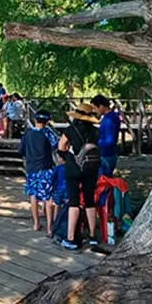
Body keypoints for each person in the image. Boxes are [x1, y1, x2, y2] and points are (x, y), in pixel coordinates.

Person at [58, 103, 101, 250]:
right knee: (89, 201)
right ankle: (93, 236)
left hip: (73, 169)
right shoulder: (95, 131)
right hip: (91, 169)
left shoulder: (71, 130)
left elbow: (61, 146)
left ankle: (70, 238)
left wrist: (65, 157)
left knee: (74, 202)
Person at [18, 110, 59, 235]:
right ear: (47, 121)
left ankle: (36, 223)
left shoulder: (28, 133)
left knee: (33, 196)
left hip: (31, 168)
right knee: (48, 197)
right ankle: (50, 227)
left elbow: (21, 150)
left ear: (35, 120)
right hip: (46, 168)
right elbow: (56, 146)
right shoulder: (48, 133)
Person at [91, 95, 121, 176]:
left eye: (95, 108)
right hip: (111, 153)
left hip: (106, 155)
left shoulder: (108, 120)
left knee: (103, 180)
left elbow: (109, 140)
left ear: (101, 106)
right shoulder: (114, 116)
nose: (95, 111)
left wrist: (95, 143)